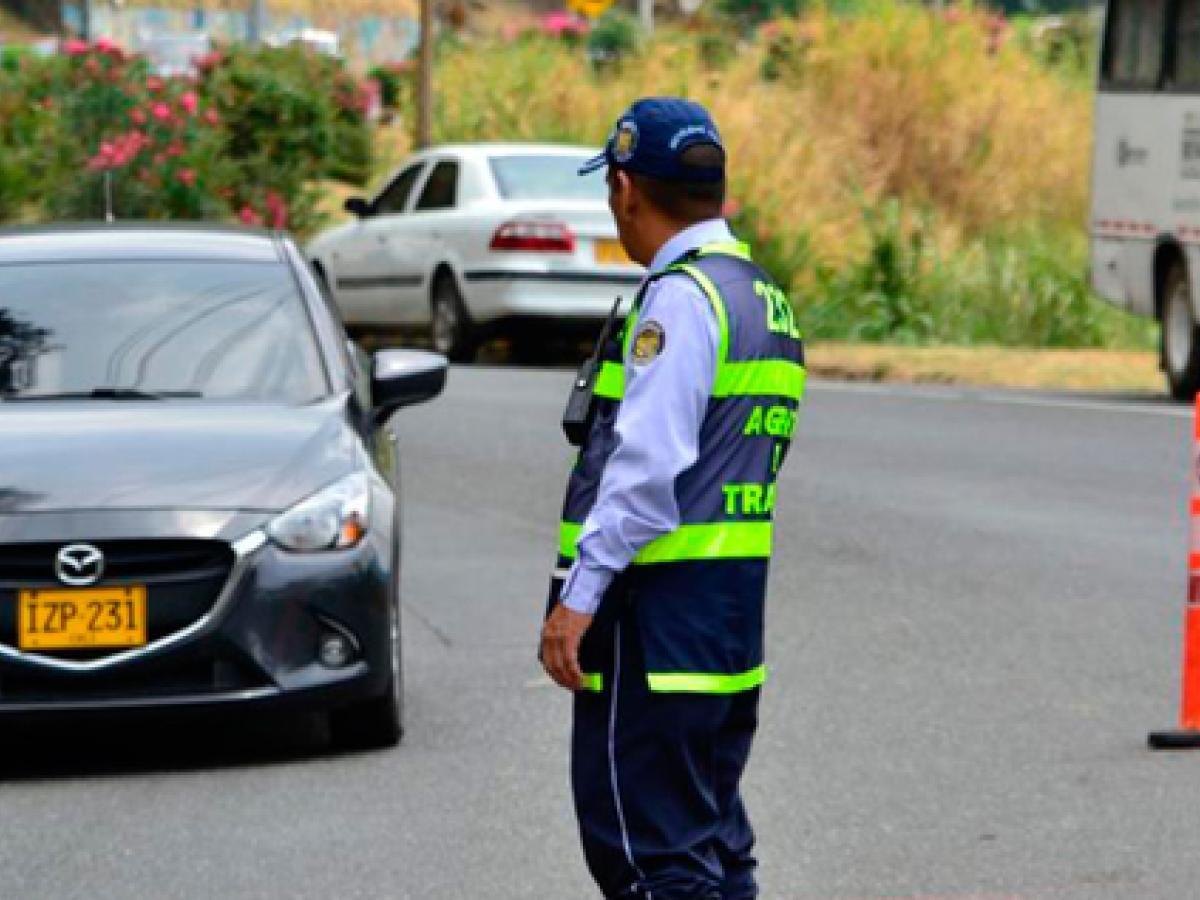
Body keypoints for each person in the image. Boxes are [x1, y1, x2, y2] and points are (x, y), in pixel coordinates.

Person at [539, 97, 807, 899]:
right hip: (724, 630)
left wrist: (577, 599)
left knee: (647, 858)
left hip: (650, 628)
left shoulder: (683, 299)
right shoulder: (764, 299)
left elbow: (645, 474)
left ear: (624, 187)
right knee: (711, 849)